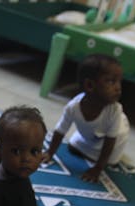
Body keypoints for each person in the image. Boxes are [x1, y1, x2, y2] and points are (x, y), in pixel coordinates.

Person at [44, 53, 129, 183]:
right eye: (111, 81)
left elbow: (110, 142)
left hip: (115, 140)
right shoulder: (73, 107)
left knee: (110, 162)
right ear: (90, 85)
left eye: (119, 82)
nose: (118, 88)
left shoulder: (115, 110)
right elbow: (60, 130)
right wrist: (50, 153)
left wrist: (97, 169)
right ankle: (91, 152)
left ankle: (97, 158)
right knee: (72, 147)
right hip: (92, 136)